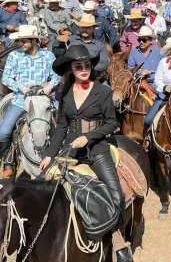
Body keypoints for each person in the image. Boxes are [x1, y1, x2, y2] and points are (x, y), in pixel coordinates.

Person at [39, 45, 132, 262]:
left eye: (86, 65)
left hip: (97, 149)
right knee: (45, 185)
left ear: (91, 67)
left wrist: (88, 137)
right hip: (70, 150)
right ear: (71, 69)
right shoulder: (64, 93)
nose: (83, 69)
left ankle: (117, 240)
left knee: (116, 195)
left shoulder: (103, 91)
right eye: (78, 66)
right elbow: (61, 126)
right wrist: (49, 155)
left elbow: (111, 123)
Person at [1, 25, 60, 177]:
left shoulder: (48, 57)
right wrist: (22, 88)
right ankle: (9, 160)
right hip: (21, 100)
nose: (21, 44)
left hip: (45, 100)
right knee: (3, 132)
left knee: (67, 121)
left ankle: (70, 155)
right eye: (20, 41)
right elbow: (6, 78)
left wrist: (48, 85)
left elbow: (56, 77)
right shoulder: (15, 56)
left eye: (24, 41)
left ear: (34, 40)